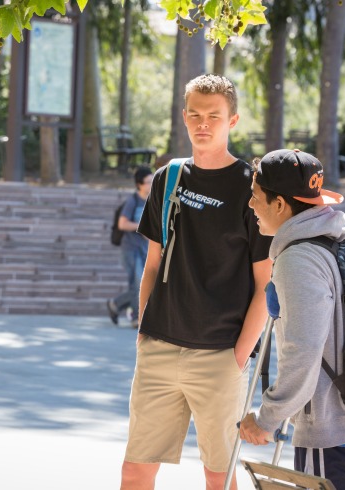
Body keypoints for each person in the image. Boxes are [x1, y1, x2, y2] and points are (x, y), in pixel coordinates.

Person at [120, 74, 273, 490]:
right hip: (159, 347)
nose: (203, 123)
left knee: (217, 477)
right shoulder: (167, 178)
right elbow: (152, 263)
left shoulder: (251, 187)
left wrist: (239, 355)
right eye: (195, 115)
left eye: (214, 116)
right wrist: (144, 329)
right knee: (135, 469)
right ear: (184, 117)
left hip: (220, 356)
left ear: (232, 120)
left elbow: (266, 283)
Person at [239, 148, 345, 489]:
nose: (250, 206)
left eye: (255, 197)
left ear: (280, 204)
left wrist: (267, 419)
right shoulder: (335, 240)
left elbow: (303, 352)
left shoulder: (299, 260)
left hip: (333, 433)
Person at [107, 165, 154, 329]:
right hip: (130, 248)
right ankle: (136, 317)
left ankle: (116, 304)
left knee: (143, 283)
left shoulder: (153, 201)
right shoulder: (132, 201)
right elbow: (122, 224)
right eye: (148, 182)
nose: (151, 185)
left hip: (145, 248)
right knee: (138, 282)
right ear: (139, 184)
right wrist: (141, 226)